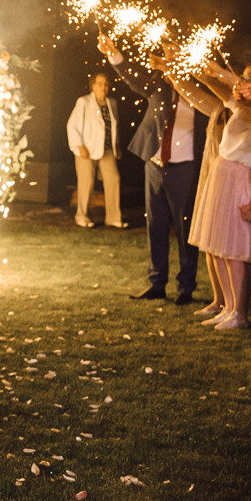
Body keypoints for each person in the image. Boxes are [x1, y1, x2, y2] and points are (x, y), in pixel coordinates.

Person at [100, 32, 211, 305]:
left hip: (185, 165)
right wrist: (113, 53)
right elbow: (133, 78)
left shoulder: (199, 86)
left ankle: (186, 287)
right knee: (156, 225)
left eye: (173, 50)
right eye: (166, 50)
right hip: (155, 163)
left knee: (185, 230)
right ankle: (156, 283)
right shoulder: (159, 82)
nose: (167, 54)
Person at [180, 61, 251, 330]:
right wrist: (194, 65)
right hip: (221, 176)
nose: (244, 83)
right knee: (217, 247)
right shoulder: (238, 106)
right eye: (243, 78)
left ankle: (240, 314)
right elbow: (213, 84)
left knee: (235, 250)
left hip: (242, 179)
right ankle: (229, 308)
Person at [66, 71, 126, 228]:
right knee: (86, 183)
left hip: (106, 150)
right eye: (99, 84)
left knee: (114, 179)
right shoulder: (84, 102)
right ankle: (82, 216)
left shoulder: (111, 103)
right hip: (87, 149)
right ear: (93, 85)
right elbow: (72, 125)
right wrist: (79, 145)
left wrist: (117, 145)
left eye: (106, 84)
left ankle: (113, 218)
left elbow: (114, 126)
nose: (103, 87)